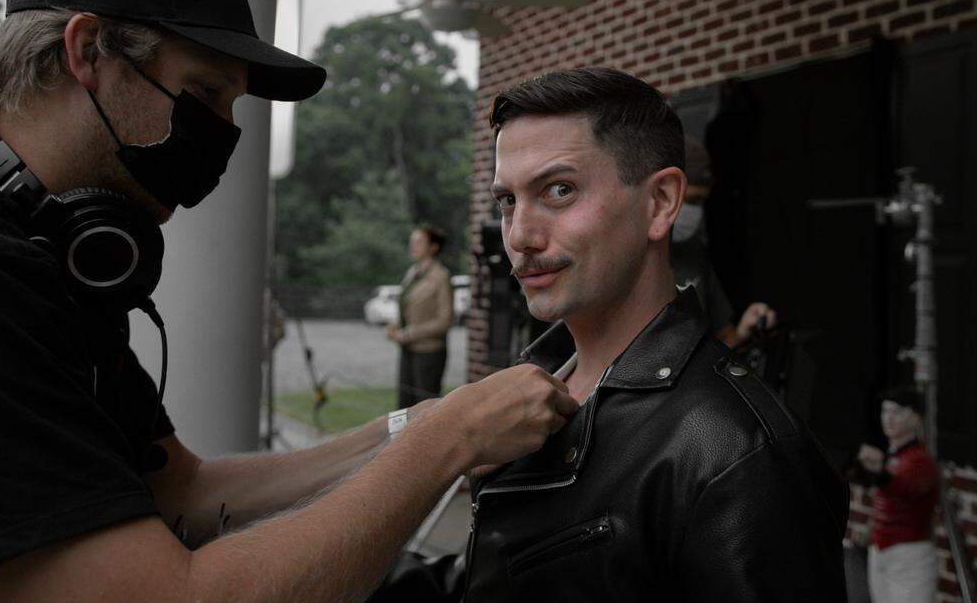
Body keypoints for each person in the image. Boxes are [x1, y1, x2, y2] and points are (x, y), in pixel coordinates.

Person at [0, 0, 578, 602]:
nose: (224, 134)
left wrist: (425, 419)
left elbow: (187, 490)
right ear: (88, 51)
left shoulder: (50, 260)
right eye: (203, 92)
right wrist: (449, 443)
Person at [375, 67, 849, 601]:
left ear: (661, 202)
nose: (521, 236)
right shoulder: (534, 384)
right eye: (508, 200)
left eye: (559, 190)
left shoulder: (740, 455)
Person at [671, 134, 775, 346]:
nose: (694, 212)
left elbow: (723, 341)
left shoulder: (694, 252)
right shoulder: (628, 258)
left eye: (701, 202)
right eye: (691, 200)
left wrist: (743, 331)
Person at [850, 388, 939, 603]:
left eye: (897, 412)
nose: (888, 418)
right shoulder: (890, 454)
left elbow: (903, 488)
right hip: (880, 550)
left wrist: (879, 471)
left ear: (915, 418)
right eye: (885, 411)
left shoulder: (920, 460)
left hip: (907, 553)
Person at [387, 225, 453, 407]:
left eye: (418, 242)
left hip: (429, 353)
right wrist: (396, 325)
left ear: (433, 247)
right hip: (408, 350)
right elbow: (406, 304)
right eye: (412, 242)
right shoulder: (412, 273)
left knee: (424, 409)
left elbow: (445, 321)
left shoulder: (441, 276)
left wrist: (407, 333)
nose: (412, 246)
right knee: (403, 407)